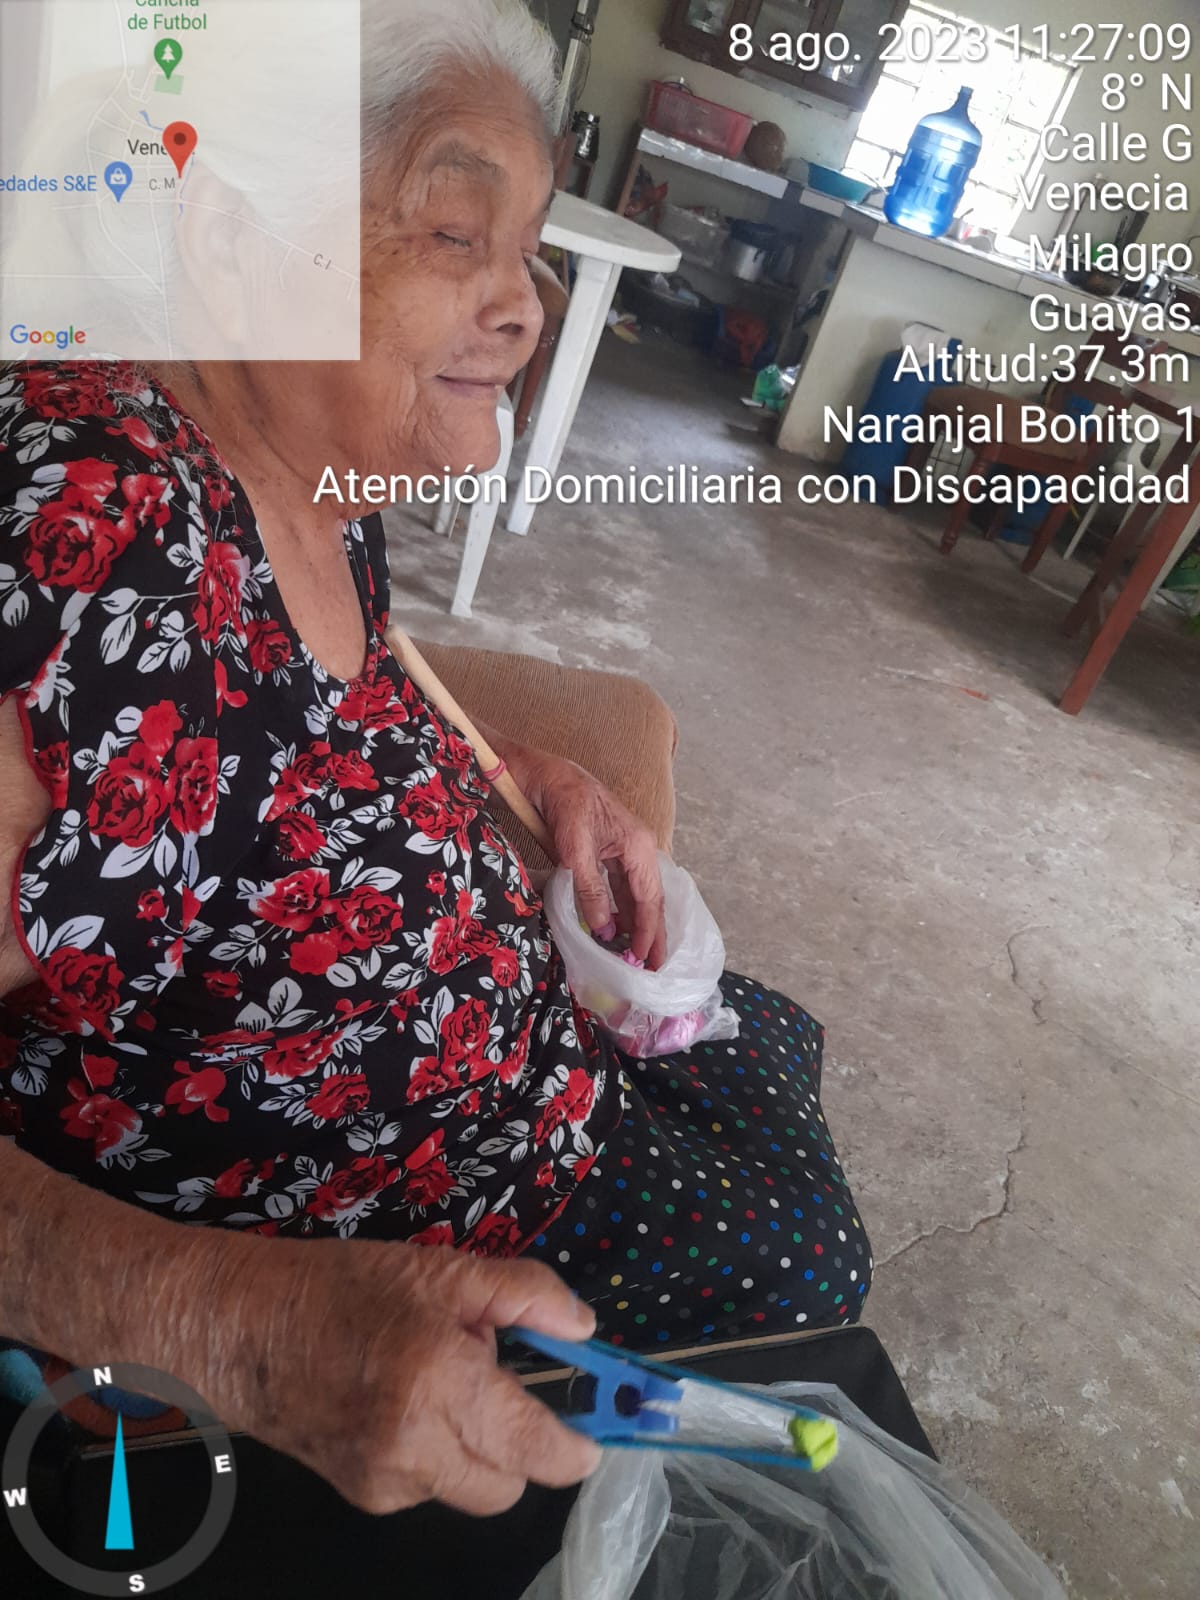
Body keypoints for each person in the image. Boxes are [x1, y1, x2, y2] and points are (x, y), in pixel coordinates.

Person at [0, 0, 871, 1519]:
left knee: (770, 1044)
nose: (524, 307)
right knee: (811, 1266)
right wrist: (231, 1326)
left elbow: (315, 715)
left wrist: (534, 778)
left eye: (524, 249)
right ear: (232, 244)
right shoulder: (106, 552)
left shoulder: (304, 456)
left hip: (522, 1057)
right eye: (456, 235)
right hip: (422, 1231)